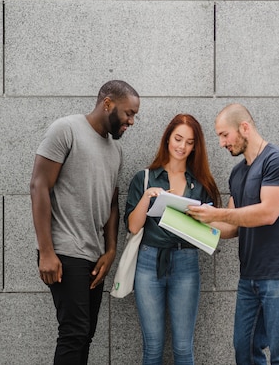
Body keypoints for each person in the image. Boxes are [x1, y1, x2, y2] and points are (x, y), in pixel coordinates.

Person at [187, 103, 279, 365]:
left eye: (224, 134)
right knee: (245, 349)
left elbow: (268, 213)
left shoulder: (278, 160)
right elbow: (232, 227)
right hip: (250, 277)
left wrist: (216, 214)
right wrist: (190, 220)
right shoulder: (238, 172)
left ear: (245, 127)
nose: (221, 143)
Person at [30, 80, 140, 364]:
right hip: (64, 251)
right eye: (129, 113)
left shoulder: (115, 151)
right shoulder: (66, 129)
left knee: (85, 334)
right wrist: (46, 251)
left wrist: (111, 250)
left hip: (94, 254)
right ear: (108, 104)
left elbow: (112, 203)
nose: (131, 121)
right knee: (74, 332)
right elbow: (39, 186)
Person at [125, 114, 221, 365]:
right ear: (167, 138)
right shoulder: (144, 178)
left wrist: (200, 218)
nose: (182, 146)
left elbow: (215, 227)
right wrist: (148, 196)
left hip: (186, 261)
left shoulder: (202, 183)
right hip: (149, 261)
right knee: (153, 347)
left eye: (189, 142)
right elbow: (134, 227)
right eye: (178, 139)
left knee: (182, 347)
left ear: (195, 146)